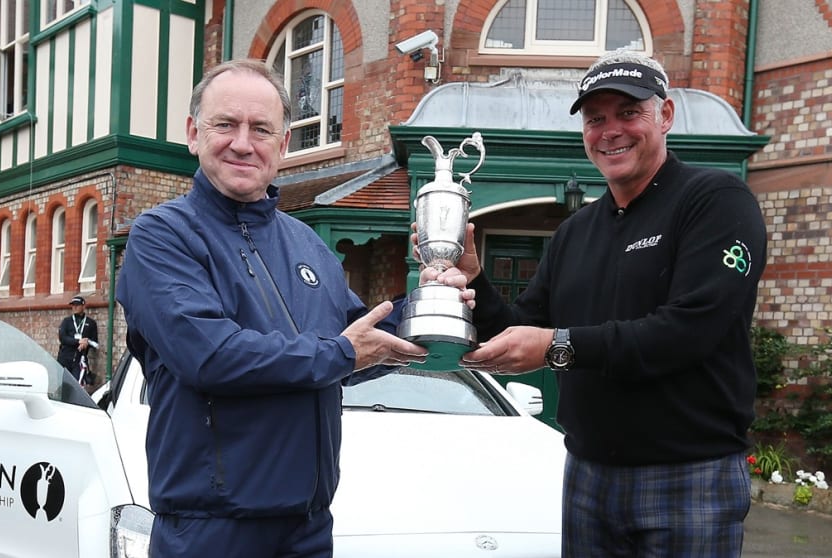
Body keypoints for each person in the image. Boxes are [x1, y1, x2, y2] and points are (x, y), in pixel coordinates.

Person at [423, 50, 767, 557]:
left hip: (688, 476)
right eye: (595, 118)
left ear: (665, 114)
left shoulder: (715, 200)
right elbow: (520, 329)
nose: (611, 131)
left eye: (629, 113)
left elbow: (689, 330)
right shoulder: (575, 231)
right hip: (588, 475)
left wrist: (557, 347)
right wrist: (475, 280)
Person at [116, 59, 429, 558]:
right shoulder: (163, 236)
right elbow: (211, 356)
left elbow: (354, 339)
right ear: (194, 134)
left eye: (261, 128)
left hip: (307, 527)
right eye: (226, 124)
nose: (243, 142)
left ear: (282, 145)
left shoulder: (306, 243)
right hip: (212, 530)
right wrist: (343, 355)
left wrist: (433, 301)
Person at [56, 295, 99, 386]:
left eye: (77, 305)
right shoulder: (67, 321)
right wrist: (78, 341)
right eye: (73, 305)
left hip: (80, 358)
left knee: (77, 385)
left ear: (83, 306)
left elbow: (96, 344)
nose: (74, 307)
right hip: (65, 357)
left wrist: (87, 342)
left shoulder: (91, 323)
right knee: (63, 384)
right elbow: (62, 338)